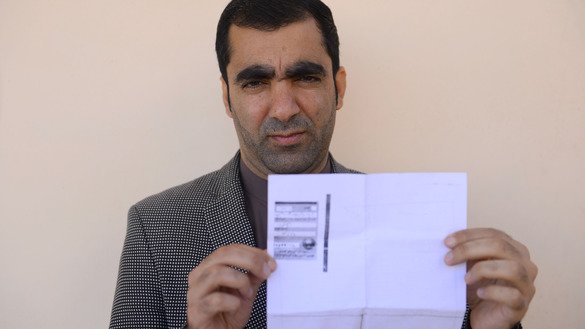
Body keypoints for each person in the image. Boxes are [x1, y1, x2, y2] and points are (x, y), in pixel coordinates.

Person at [110, 1, 538, 328]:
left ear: (339, 87)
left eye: (306, 77)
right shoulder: (155, 227)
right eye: (256, 82)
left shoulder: (419, 228)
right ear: (227, 97)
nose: (283, 108)